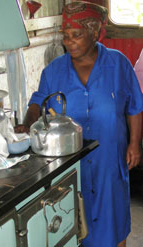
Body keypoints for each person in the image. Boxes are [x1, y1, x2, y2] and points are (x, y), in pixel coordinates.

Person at [15, 1, 143, 247]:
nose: (69, 41)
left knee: (113, 222)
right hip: (72, 164)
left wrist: (134, 145)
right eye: (66, 35)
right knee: (74, 221)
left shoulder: (118, 64)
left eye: (77, 35)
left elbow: (135, 107)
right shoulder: (54, 71)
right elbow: (38, 103)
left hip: (109, 159)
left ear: (95, 33)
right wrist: (27, 123)